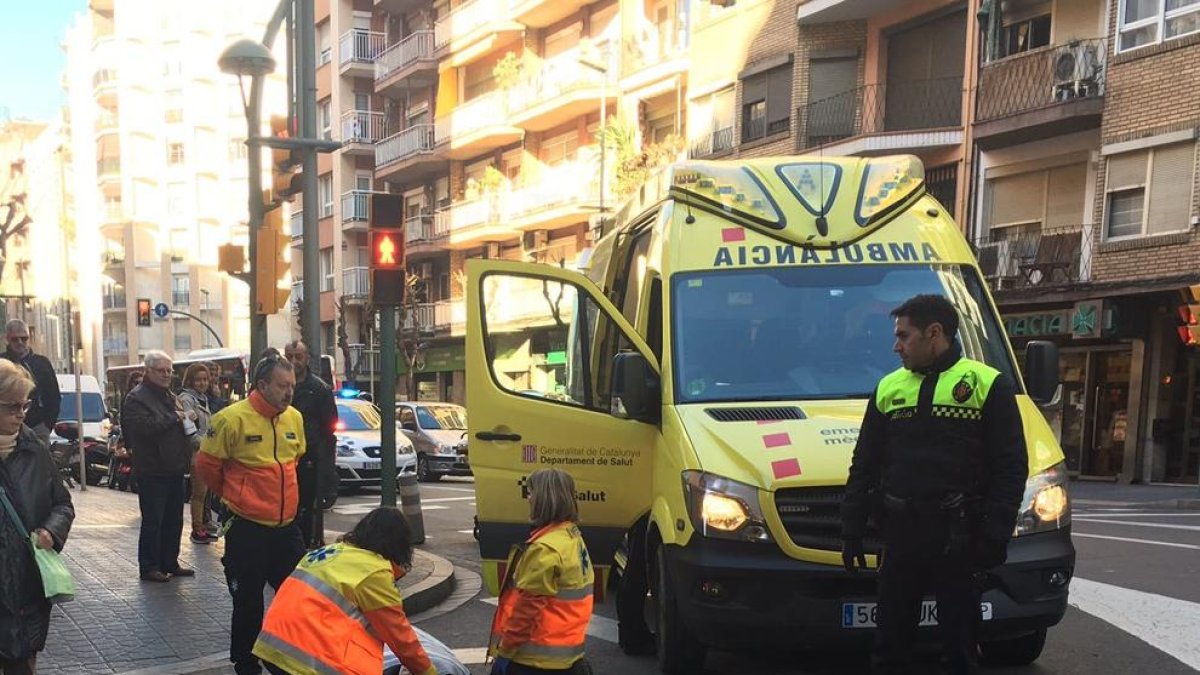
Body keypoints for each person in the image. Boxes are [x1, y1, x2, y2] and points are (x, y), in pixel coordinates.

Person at [840, 294, 1027, 675]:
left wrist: (995, 534)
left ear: (934, 333)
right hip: (901, 534)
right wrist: (852, 530)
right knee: (889, 645)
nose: (896, 346)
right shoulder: (889, 387)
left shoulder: (985, 384)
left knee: (959, 647)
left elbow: (1010, 466)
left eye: (904, 336)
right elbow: (865, 465)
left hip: (957, 536)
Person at [196, 356, 307, 675]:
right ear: (262, 385)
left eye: (292, 387)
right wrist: (238, 496)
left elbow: (296, 459)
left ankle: (284, 655)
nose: (289, 393)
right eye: (282, 386)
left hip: (286, 529)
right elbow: (207, 467)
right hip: (248, 529)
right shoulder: (231, 419)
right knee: (248, 602)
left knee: (297, 595)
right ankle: (246, 663)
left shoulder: (294, 418)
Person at [253, 507, 438, 675]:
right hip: (307, 659)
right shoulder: (373, 572)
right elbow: (400, 637)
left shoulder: (330, 552)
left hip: (273, 645)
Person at [0, 359, 74, 675]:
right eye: (11, 406)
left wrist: (50, 531)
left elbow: (63, 504)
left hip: (24, 591)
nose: (21, 413)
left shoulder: (35, 449)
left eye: (25, 405)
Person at [489, 468, 594, 675]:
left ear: (544, 499)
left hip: (534, 661)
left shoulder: (544, 550)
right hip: (569, 657)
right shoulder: (572, 538)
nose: (528, 498)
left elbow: (525, 612)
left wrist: (505, 652)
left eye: (531, 492)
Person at [121, 351, 195, 583]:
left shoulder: (169, 395)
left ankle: (169, 562)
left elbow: (179, 419)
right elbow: (143, 427)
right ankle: (150, 566)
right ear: (148, 371)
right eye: (161, 370)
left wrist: (189, 418)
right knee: (154, 520)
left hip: (174, 466)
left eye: (169, 371)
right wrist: (174, 417)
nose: (166, 375)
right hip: (152, 468)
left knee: (174, 519)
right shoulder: (136, 398)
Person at [284, 340, 338, 548]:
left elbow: (329, 427)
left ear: (306, 358)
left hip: (308, 457)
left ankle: (304, 545)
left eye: (298, 356)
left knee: (306, 505)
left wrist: (325, 466)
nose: (294, 361)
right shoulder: (275, 385)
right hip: (281, 456)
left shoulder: (319, 388)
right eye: (289, 356)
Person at [0, 320, 60, 447]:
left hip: (37, 426)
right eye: (15, 339)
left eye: (24, 338)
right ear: (8, 339)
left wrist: (47, 425)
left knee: (38, 463)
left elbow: (53, 396)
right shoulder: (2, 362)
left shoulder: (42, 363)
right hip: (6, 429)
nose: (20, 342)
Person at [179, 364, 216, 544]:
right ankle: (197, 529)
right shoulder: (187, 399)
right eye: (198, 379)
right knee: (199, 493)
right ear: (191, 380)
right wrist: (206, 444)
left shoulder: (203, 399)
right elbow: (190, 430)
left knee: (206, 491)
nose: (202, 383)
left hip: (206, 451)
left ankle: (204, 524)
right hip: (197, 452)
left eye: (205, 379)